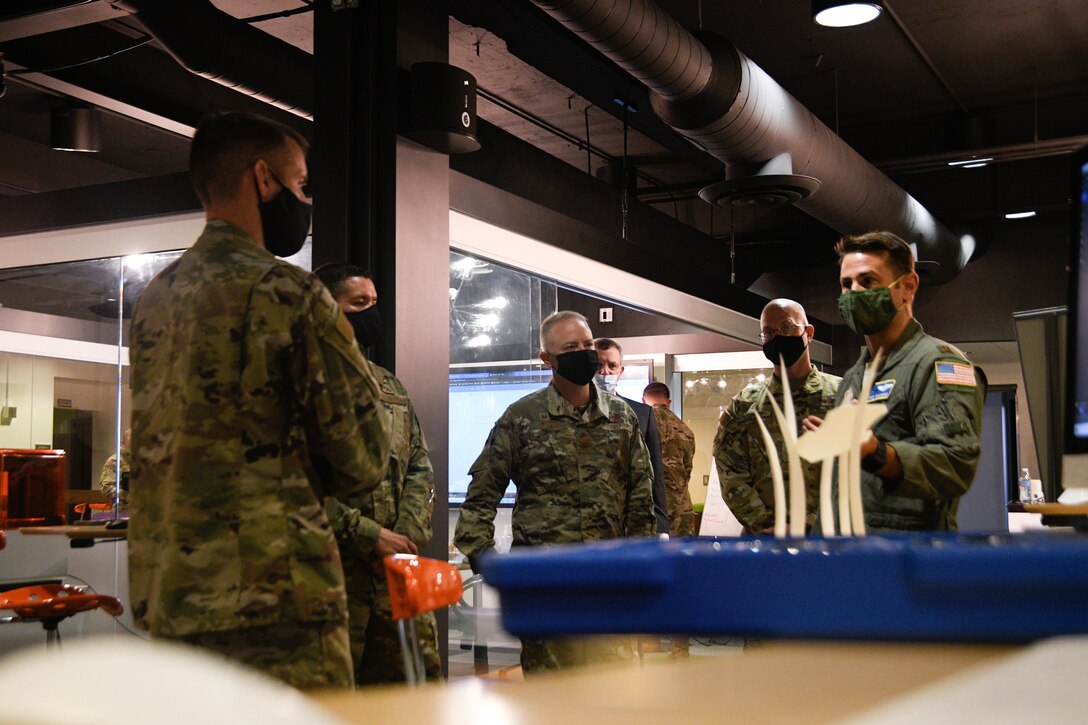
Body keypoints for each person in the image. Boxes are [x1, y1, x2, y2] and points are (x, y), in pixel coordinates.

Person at [127, 112, 391, 690]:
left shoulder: (155, 299)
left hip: (174, 600)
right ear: (264, 179)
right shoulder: (289, 292)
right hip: (278, 605)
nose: (304, 200)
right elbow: (365, 458)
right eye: (301, 185)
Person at [454, 310, 655, 674]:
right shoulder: (521, 418)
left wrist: (640, 565)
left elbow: (641, 498)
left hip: (608, 582)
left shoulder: (621, 418)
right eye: (571, 347)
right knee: (550, 696)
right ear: (547, 358)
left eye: (588, 344)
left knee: (618, 691)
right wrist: (486, 557)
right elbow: (481, 495)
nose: (584, 352)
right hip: (546, 586)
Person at [805, 231, 985, 532]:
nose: (853, 293)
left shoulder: (936, 365)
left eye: (868, 281)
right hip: (847, 556)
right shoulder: (853, 378)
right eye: (846, 284)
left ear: (908, 287)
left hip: (907, 556)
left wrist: (876, 453)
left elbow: (955, 466)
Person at [314, 262, 440, 685]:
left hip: (396, 576)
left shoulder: (390, 386)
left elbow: (420, 465)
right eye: (359, 303)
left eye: (374, 303)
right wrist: (370, 537)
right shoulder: (300, 385)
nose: (371, 313)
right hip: (333, 579)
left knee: (411, 696)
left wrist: (403, 537)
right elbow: (289, 485)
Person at [713, 299, 840, 535]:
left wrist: (813, 523)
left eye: (787, 327)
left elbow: (858, 471)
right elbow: (730, 471)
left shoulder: (842, 396)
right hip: (764, 540)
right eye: (768, 332)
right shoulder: (745, 405)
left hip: (829, 540)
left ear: (808, 333)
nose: (778, 337)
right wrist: (766, 524)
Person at [593, 338, 669, 535]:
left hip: (628, 523)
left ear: (621, 371)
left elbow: (656, 475)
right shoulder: (573, 411)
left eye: (612, 366)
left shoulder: (641, 414)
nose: (605, 372)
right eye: (599, 365)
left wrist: (661, 528)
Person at [642, 382, 696, 537]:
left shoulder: (643, 423)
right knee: (682, 558)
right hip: (682, 507)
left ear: (643, 401)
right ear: (669, 402)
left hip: (653, 507)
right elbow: (687, 469)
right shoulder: (686, 430)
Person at [98, 427, 131, 509]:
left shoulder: (144, 461)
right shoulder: (115, 461)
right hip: (123, 510)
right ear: (123, 443)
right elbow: (107, 488)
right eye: (132, 441)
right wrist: (126, 495)